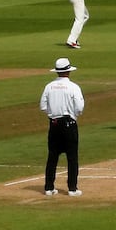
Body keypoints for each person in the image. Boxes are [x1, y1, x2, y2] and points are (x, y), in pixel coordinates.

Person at [40, 57, 85, 197]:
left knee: (52, 156)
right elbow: (79, 107)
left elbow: (42, 106)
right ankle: (72, 189)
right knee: (72, 157)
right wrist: (73, 115)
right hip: (69, 124)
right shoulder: (73, 87)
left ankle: (48, 188)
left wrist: (53, 115)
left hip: (53, 124)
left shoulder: (49, 86)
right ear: (68, 71)